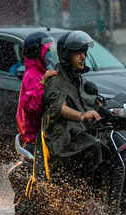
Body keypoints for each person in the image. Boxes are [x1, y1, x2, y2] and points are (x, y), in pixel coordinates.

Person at [42, 31, 105, 185]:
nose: (83, 57)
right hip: (63, 140)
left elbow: (88, 100)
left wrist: (104, 106)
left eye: (84, 52)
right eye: (78, 53)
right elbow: (60, 107)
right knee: (96, 147)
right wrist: (82, 116)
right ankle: (88, 192)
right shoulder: (56, 79)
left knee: (108, 143)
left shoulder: (77, 78)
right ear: (66, 56)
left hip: (78, 133)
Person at [15, 32, 58, 153]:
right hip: (35, 137)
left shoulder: (42, 71)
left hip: (44, 131)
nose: (50, 55)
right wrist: (43, 82)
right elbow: (32, 107)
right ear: (37, 54)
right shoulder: (33, 75)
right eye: (47, 52)